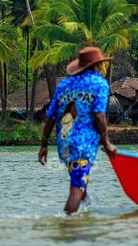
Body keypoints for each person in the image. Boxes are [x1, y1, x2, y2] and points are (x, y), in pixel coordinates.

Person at [38, 46, 118, 214]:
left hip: (64, 145)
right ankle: (69, 225)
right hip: (83, 147)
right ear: (96, 66)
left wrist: (44, 145)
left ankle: (85, 219)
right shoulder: (99, 83)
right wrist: (107, 142)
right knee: (76, 189)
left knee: (80, 185)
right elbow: (99, 116)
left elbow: (51, 117)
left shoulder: (64, 84)